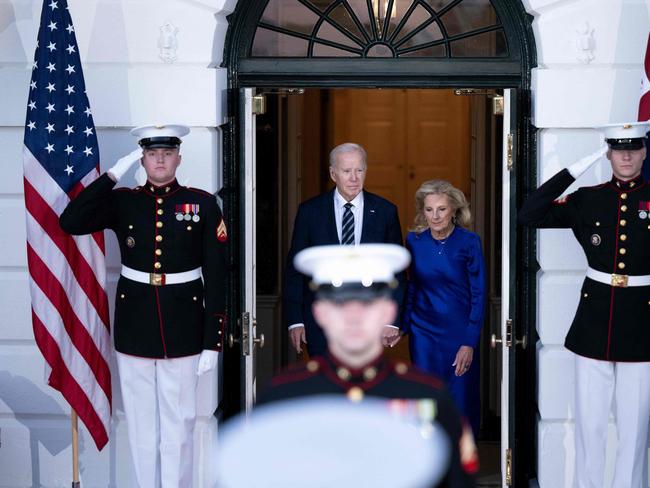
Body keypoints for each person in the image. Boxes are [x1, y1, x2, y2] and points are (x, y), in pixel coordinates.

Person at [59, 124, 228, 488]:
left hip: (184, 324)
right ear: (142, 158)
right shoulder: (124, 200)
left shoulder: (201, 203)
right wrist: (112, 174)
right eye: (152, 153)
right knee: (139, 425)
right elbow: (70, 221)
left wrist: (212, 340)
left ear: (179, 158)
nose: (160, 160)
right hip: (135, 323)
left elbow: (217, 274)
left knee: (179, 424)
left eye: (167, 153)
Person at [263, 244, 478, 487]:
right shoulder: (282, 399)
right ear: (320, 312)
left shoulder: (430, 398)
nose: (353, 316)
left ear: (388, 312)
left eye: (367, 304)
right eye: (339, 304)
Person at [518, 121, 650, 488]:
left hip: (642, 325)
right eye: (618, 149)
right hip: (594, 324)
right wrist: (575, 169)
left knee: (635, 431)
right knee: (589, 426)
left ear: (644, 152)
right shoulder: (588, 198)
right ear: (608, 153)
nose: (626, 155)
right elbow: (529, 214)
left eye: (634, 148)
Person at [283, 143, 404, 357]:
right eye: (347, 171)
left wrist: (393, 322)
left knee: (362, 387)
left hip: (370, 322)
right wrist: (296, 320)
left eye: (359, 170)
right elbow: (295, 270)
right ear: (333, 173)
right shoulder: (310, 212)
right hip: (321, 321)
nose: (354, 178)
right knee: (326, 386)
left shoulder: (385, 211)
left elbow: (398, 273)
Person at [402, 180, 486, 437]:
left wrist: (469, 342)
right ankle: (430, 462)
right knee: (426, 398)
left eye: (441, 209)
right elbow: (411, 287)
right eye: (429, 210)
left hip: (459, 333)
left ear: (454, 211)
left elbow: (479, 293)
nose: (435, 216)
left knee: (460, 399)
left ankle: (461, 463)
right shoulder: (414, 242)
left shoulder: (469, 242)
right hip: (423, 332)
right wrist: (401, 326)